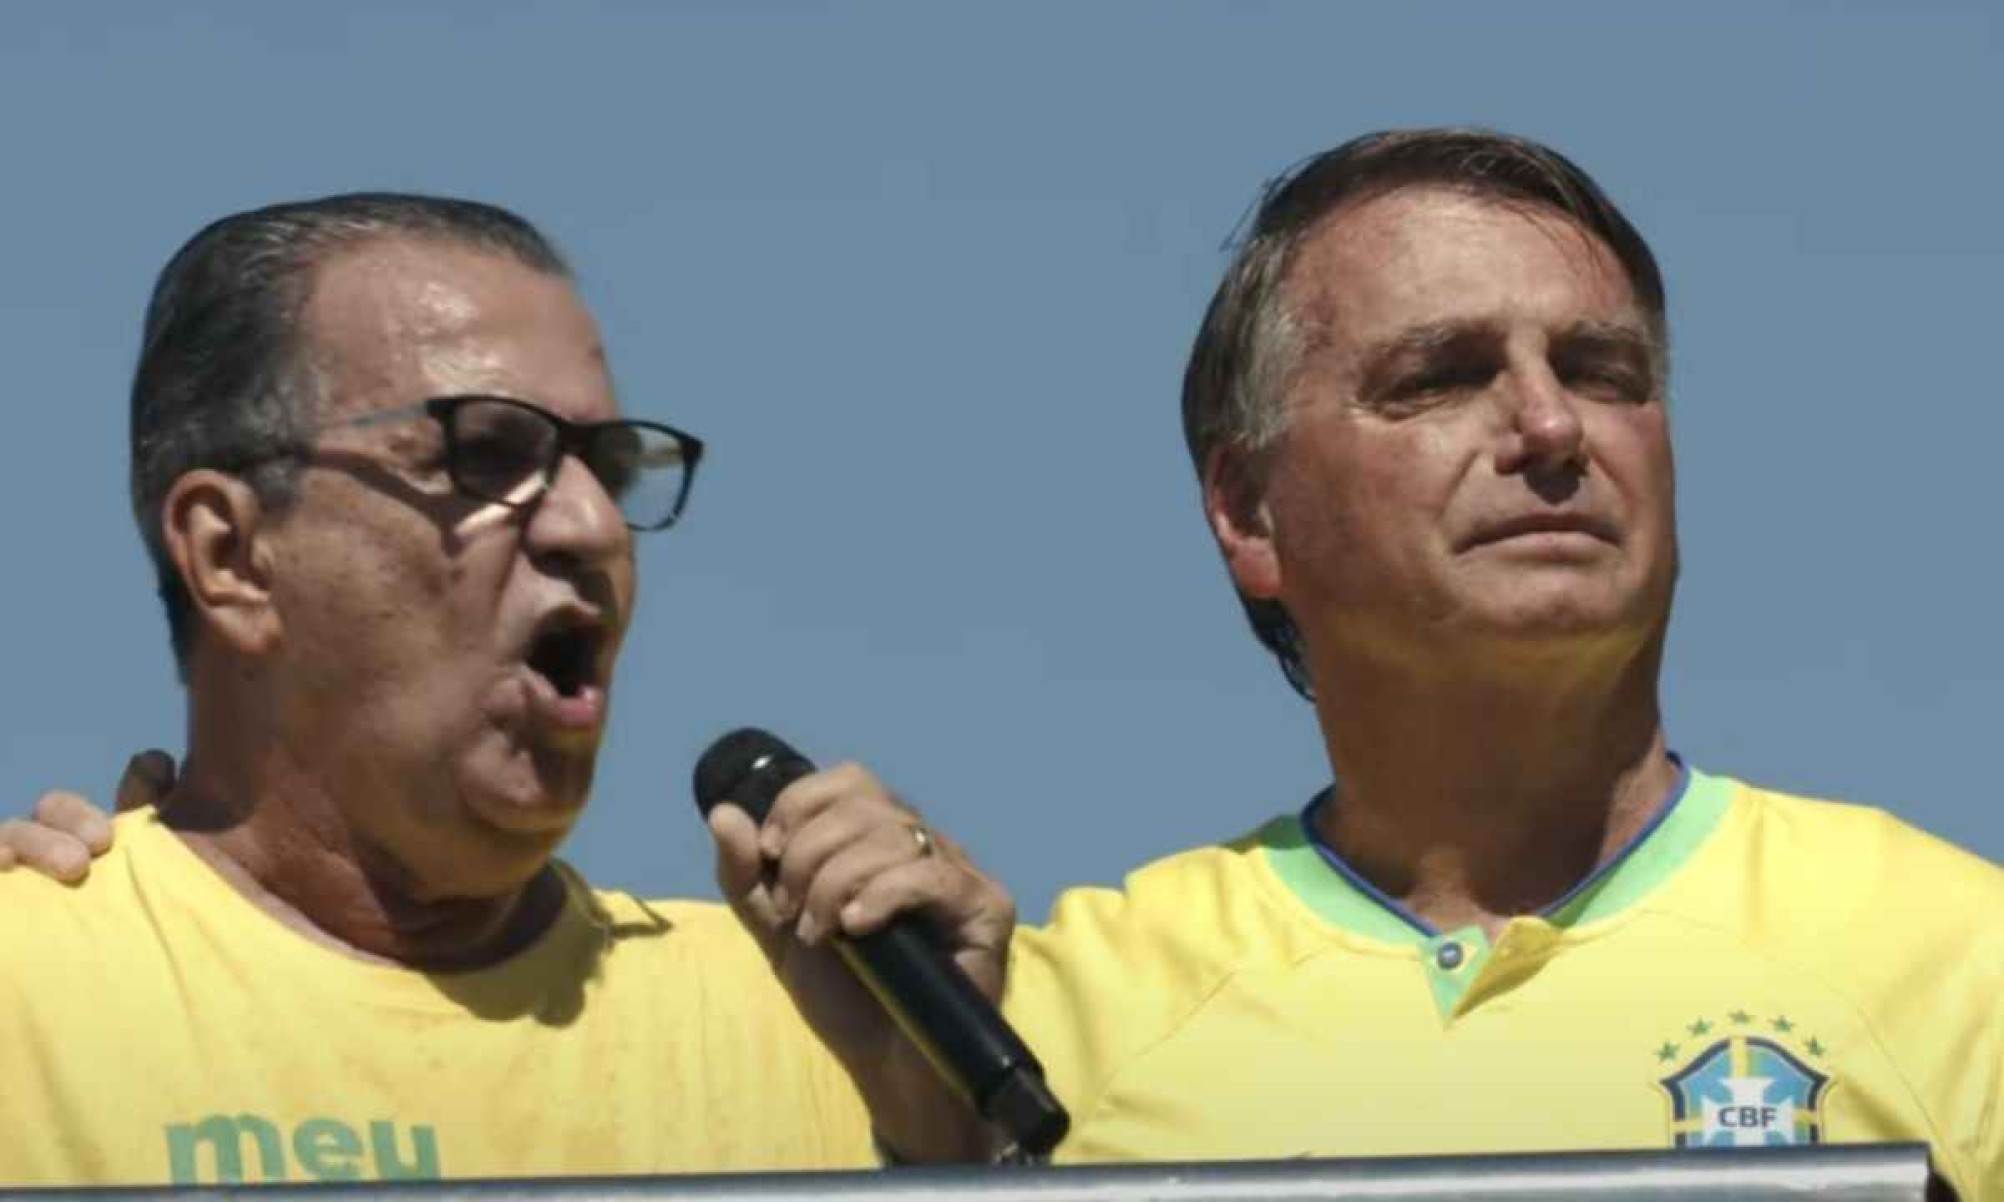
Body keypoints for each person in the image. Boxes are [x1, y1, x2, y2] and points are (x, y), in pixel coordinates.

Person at [15, 131, 2002, 1196]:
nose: (589, 526)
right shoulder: (1041, 1019)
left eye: (1613, 373)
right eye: (483, 461)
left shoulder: (861, 1028)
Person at [0, 193, 1012, 1185]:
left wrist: (944, 1154)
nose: (592, 527)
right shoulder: (30, 990)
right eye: (486, 453)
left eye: (609, 469)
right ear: (233, 556)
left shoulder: (840, 1014)